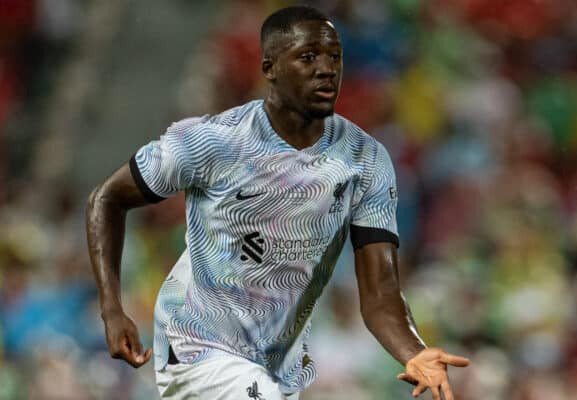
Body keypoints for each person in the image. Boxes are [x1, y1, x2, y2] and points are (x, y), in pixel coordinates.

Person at [86, 5, 469, 400]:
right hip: (198, 346)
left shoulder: (365, 161)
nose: (326, 69)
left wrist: (414, 352)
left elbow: (380, 296)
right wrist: (112, 309)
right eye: (308, 57)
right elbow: (107, 198)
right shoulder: (213, 141)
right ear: (269, 67)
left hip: (276, 366)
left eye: (334, 57)